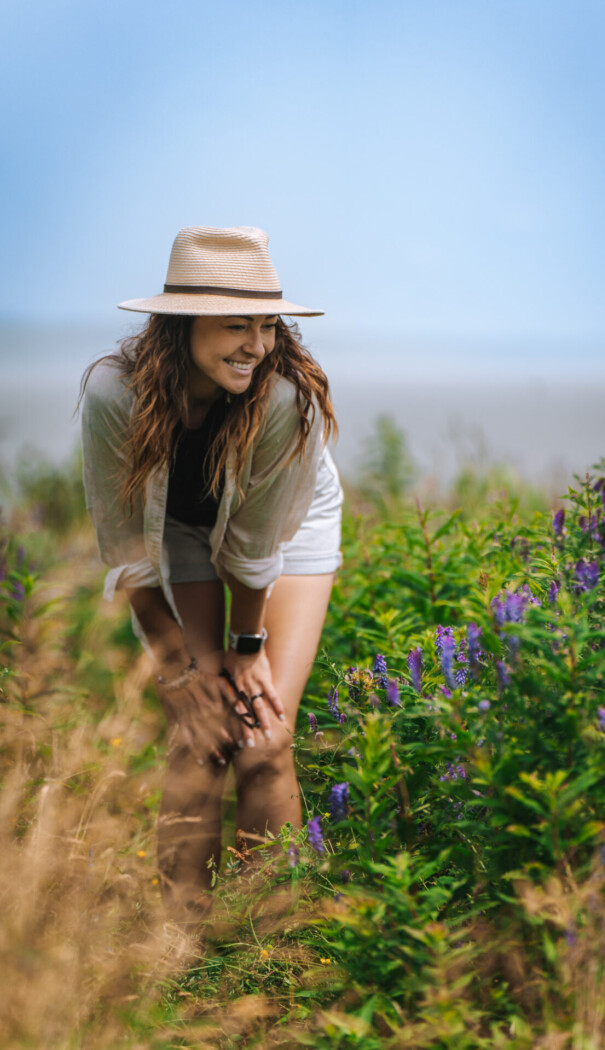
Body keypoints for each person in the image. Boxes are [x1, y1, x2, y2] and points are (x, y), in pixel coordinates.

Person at [80, 226, 342, 923]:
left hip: (290, 527)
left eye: (265, 325)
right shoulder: (115, 394)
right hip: (180, 534)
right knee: (200, 735)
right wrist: (176, 669)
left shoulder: (280, 399)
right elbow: (128, 545)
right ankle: (181, 952)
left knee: (262, 737)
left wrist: (245, 649)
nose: (255, 345)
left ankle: (272, 949)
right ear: (181, 325)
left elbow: (256, 551)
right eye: (234, 325)